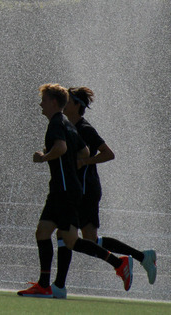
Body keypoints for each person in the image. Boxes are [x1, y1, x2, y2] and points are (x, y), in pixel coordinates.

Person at [16, 83, 133, 297]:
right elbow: (84, 150)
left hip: (65, 192)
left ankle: (119, 263)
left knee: (69, 240)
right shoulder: (69, 125)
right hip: (62, 190)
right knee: (43, 232)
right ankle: (44, 284)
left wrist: (44, 157)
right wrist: (71, 162)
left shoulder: (57, 124)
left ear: (53, 102)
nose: (40, 104)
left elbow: (61, 148)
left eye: (43, 100)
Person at [50, 86, 156, 296]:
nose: (65, 104)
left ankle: (59, 286)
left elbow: (109, 154)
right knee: (88, 240)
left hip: (87, 189)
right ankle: (140, 257)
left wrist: (84, 161)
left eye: (69, 100)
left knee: (65, 233)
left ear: (77, 105)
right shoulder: (67, 126)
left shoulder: (85, 128)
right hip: (79, 189)